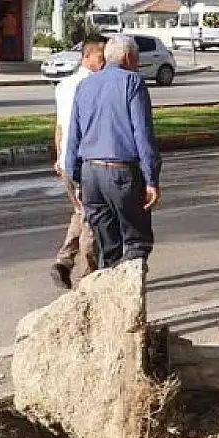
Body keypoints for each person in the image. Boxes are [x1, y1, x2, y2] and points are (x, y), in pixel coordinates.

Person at [64, 34, 162, 269]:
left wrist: (76, 180)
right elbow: (142, 133)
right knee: (137, 241)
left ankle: (111, 297)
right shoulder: (132, 82)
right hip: (121, 173)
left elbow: (73, 136)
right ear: (129, 57)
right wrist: (151, 179)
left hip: (90, 174)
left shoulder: (85, 85)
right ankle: (130, 300)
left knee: (108, 247)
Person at [50, 35, 107, 290]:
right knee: (91, 219)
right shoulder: (94, 85)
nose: (104, 62)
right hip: (85, 162)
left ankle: (63, 262)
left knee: (82, 213)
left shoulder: (63, 85)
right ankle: (89, 275)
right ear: (87, 55)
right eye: (101, 57)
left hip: (66, 162)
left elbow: (60, 125)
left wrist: (59, 156)